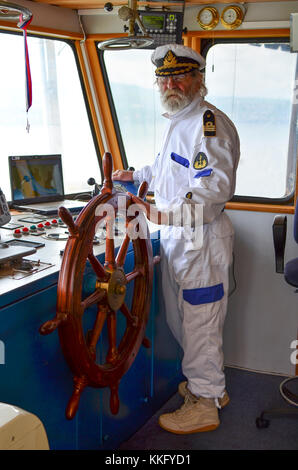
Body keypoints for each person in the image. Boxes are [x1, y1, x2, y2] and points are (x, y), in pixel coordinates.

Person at [112, 43, 240, 434]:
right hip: (177, 239)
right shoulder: (178, 120)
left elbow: (213, 190)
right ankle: (210, 390)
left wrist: (160, 213)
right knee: (181, 320)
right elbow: (171, 169)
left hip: (200, 242)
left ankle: (205, 404)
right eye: (163, 78)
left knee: (200, 325)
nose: (171, 84)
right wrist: (134, 175)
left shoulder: (209, 125)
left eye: (179, 76)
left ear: (198, 79)